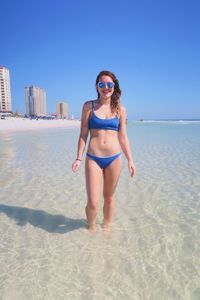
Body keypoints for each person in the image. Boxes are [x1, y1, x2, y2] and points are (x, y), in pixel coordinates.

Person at [72, 70, 136, 232]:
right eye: (102, 84)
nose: (106, 87)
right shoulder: (89, 106)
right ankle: (91, 227)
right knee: (93, 202)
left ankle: (106, 227)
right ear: (97, 87)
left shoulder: (120, 109)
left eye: (109, 84)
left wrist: (130, 160)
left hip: (114, 159)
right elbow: (83, 134)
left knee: (109, 198)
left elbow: (123, 137)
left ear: (114, 87)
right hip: (93, 158)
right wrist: (78, 158)